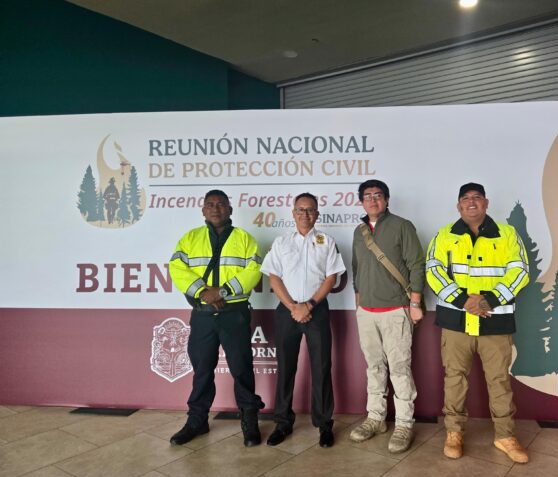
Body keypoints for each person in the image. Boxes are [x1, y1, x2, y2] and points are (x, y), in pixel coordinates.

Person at [426, 182, 530, 463]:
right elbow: (433, 271)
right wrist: (464, 301)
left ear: (486, 203)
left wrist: (488, 301)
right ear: (458, 206)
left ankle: (505, 436)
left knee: (499, 380)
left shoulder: (507, 234)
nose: (471, 202)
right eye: (465, 198)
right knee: (454, 378)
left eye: (477, 197)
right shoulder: (444, 235)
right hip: (456, 321)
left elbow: (520, 271)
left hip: (496, 322)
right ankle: (454, 433)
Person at [168, 189, 265, 447]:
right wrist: (203, 292)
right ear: (203, 210)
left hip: (235, 314)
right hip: (203, 316)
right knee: (202, 370)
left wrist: (222, 292)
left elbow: (254, 270)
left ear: (230, 209)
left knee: (242, 369)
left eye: (221, 204)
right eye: (210, 204)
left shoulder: (245, 239)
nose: (215, 208)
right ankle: (197, 421)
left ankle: (249, 420)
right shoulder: (190, 238)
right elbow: (176, 268)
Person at [260, 193, 346, 448]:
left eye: (310, 210)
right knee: (286, 367)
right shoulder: (281, 242)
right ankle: (282, 423)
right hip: (287, 311)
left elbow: (331, 278)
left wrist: (309, 305)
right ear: (293, 213)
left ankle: (324, 424)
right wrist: (292, 307)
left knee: (321, 366)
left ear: (317, 214)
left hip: (316, 310)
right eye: (300, 209)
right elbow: (273, 277)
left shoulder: (326, 241)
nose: (305, 214)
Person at [349, 179, 425, 454]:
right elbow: (357, 268)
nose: (373, 200)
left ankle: (404, 423)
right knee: (374, 367)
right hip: (367, 312)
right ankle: (376, 418)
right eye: (367, 196)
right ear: (362, 202)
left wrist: (415, 302)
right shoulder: (359, 232)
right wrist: (359, 299)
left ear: (387, 199)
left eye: (378, 195)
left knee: (400, 369)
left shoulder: (402, 226)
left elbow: (417, 264)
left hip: (395, 310)